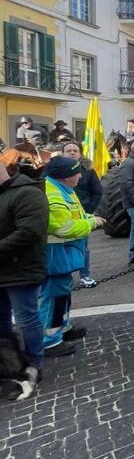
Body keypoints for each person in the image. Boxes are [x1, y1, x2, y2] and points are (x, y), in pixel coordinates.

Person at [39, 155, 106, 357]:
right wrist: (92, 224)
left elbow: (74, 215)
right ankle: (49, 341)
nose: (79, 176)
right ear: (64, 177)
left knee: (62, 296)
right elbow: (63, 227)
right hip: (55, 256)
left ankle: (63, 328)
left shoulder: (63, 190)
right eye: (75, 173)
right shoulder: (54, 196)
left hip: (63, 256)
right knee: (53, 299)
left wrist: (89, 217)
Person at [0, 153, 49, 389]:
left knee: (26, 320)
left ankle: (34, 365)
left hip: (21, 269)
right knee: (2, 324)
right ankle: (9, 365)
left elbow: (29, 233)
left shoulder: (28, 192)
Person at [60, 142, 102, 288]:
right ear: (63, 153)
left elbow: (97, 191)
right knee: (61, 247)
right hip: (60, 215)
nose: (72, 153)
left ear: (80, 153)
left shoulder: (88, 170)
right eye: (68, 150)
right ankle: (64, 275)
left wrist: (89, 210)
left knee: (82, 247)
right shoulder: (54, 170)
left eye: (75, 150)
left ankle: (85, 275)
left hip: (81, 215)